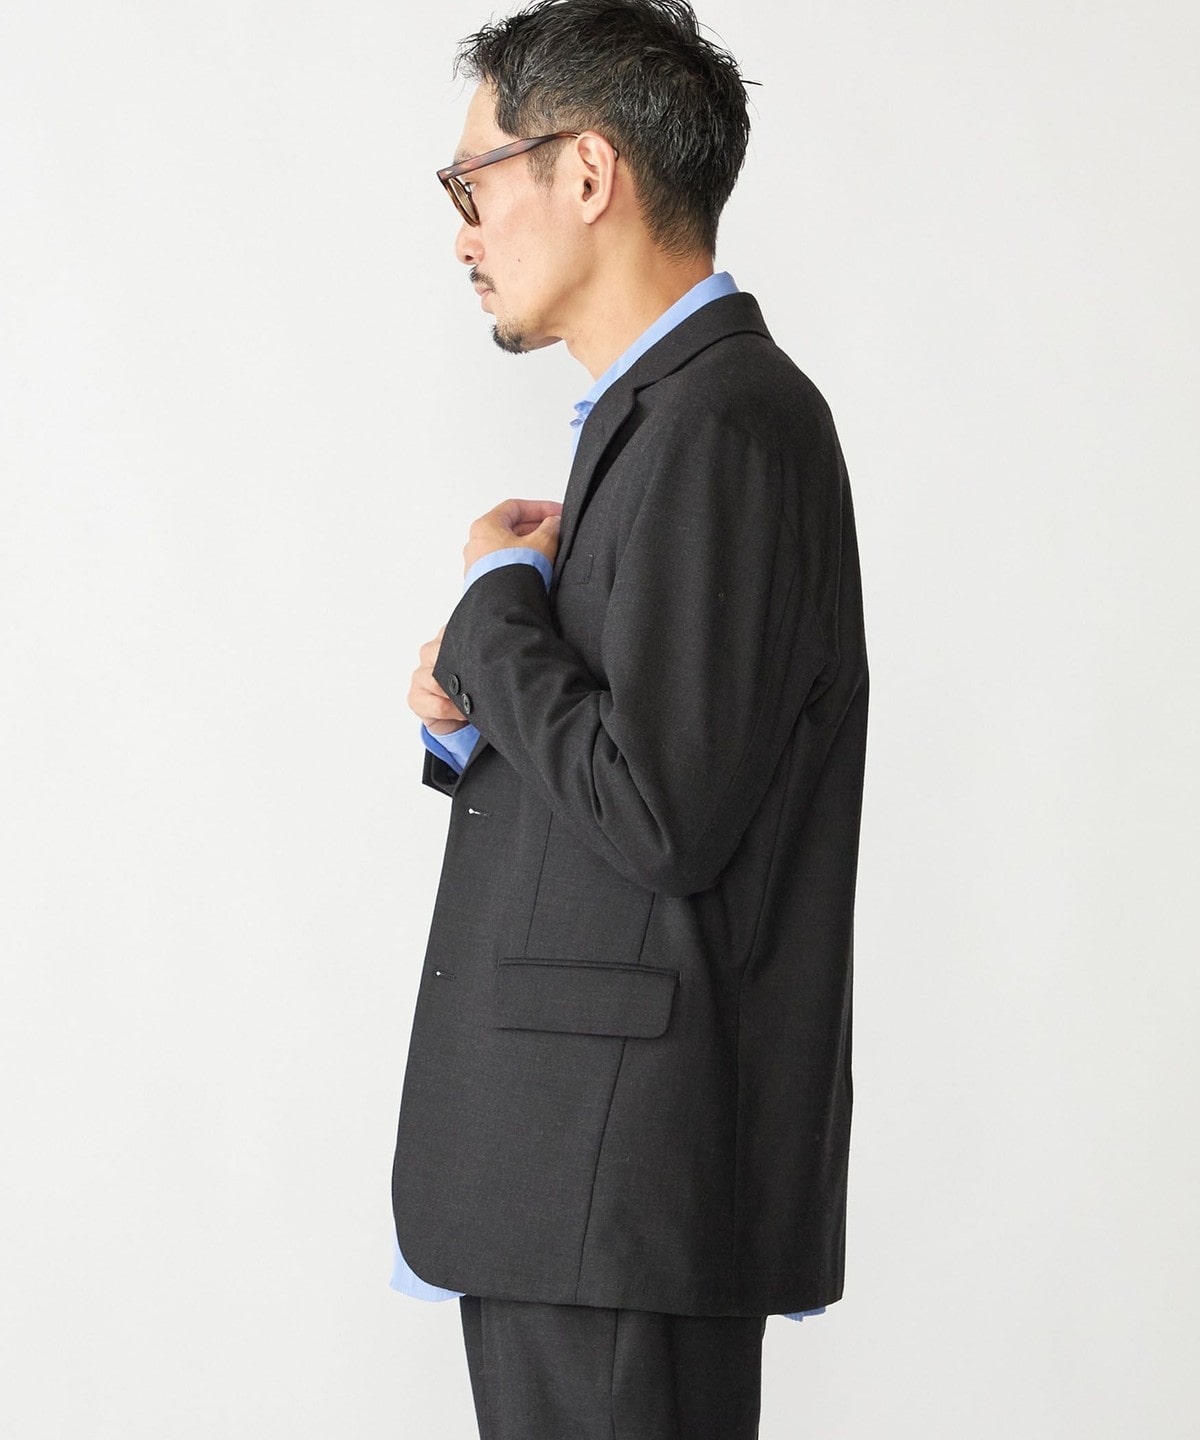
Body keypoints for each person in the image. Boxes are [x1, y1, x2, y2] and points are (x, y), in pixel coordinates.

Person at [390, 2, 868, 1435]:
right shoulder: (664, 418)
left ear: (587, 172)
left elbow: (660, 813)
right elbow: (650, 764)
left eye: (474, 182)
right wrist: (478, 696)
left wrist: (494, 609)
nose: (463, 234)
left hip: (612, 1182)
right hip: (586, 1184)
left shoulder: (722, 420)